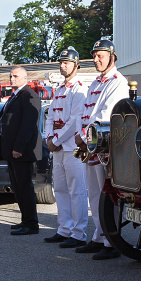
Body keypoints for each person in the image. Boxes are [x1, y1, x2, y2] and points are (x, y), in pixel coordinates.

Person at [75, 38, 129, 259]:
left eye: (101, 56)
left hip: (106, 145)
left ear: (112, 57)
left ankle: (111, 241)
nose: (96, 60)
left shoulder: (118, 81)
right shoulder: (97, 82)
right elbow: (85, 112)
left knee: (108, 196)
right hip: (92, 143)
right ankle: (99, 235)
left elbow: (105, 114)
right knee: (95, 194)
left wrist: (83, 137)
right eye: (95, 56)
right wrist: (82, 136)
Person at [42, 48, 88, 248]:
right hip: (58, 145)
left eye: (67, 63)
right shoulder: (59, 89)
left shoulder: (79, 89)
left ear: (76, 65)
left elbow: (75, 120)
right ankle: (64, 229)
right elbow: (50, 115)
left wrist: (56, 140)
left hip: (71, 146)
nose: (63, 66)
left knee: (76, 190)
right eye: (61, 62)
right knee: (60, 189)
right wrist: (48, 137)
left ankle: (79, 233)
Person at [0, 66, 43, 235]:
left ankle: (31, 224)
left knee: (24, 187)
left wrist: (18, 148)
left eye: (15, 76)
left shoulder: (30, 96)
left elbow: (28, 125)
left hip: (22, 152)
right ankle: (25, 220)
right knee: (18, 187)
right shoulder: (15, 96)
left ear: (24, 78)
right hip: (12, 152)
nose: (12, 78)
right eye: (10, 75)